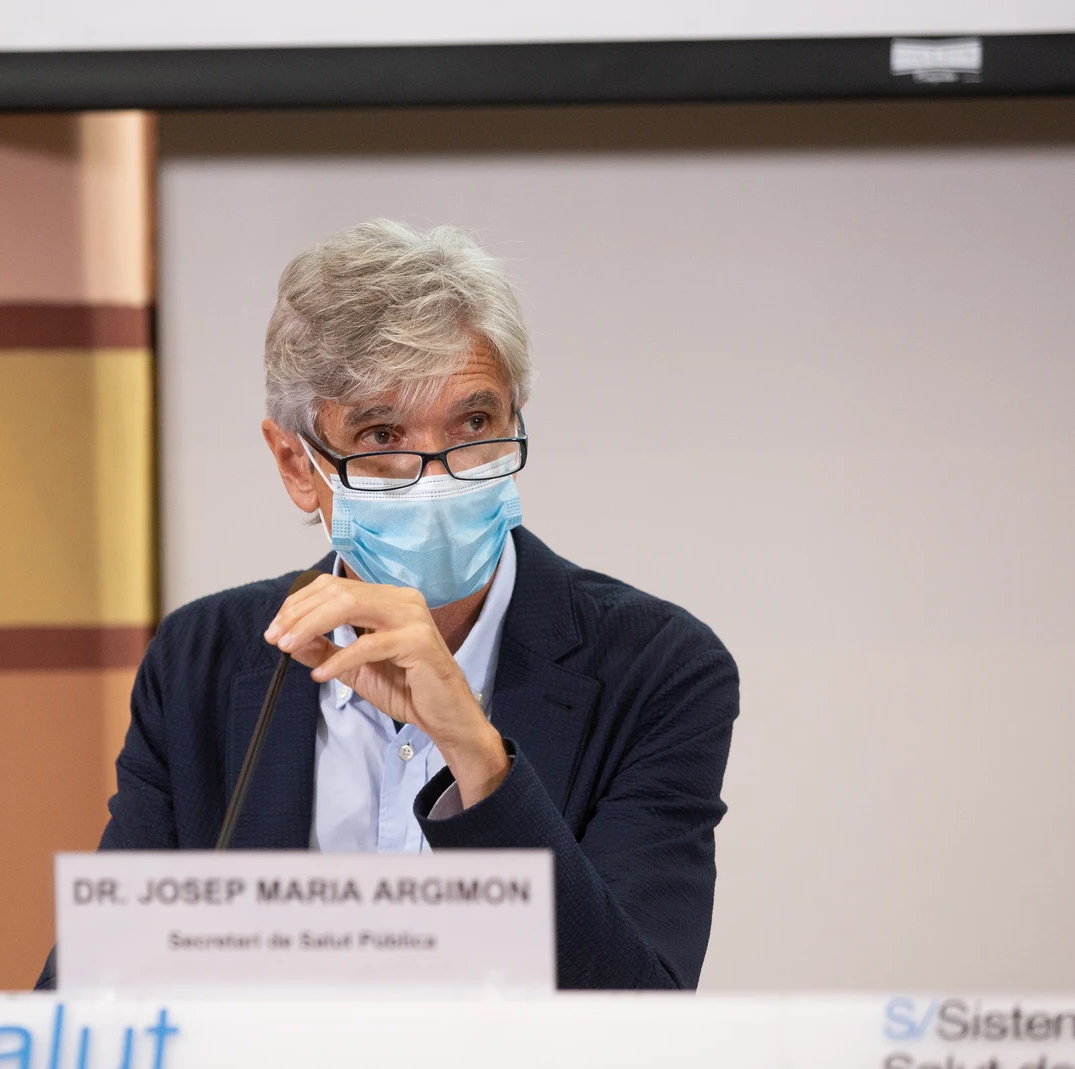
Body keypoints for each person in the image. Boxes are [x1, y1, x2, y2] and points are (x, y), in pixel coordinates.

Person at [37, 219, 737, 990]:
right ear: (296, 465)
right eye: (381, 433)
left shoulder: (658, 667)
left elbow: (639, 1014)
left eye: (474, 424)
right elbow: (90, 996)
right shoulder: (204, 660)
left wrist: (473, 747)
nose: (436, 474)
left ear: (517, 419)